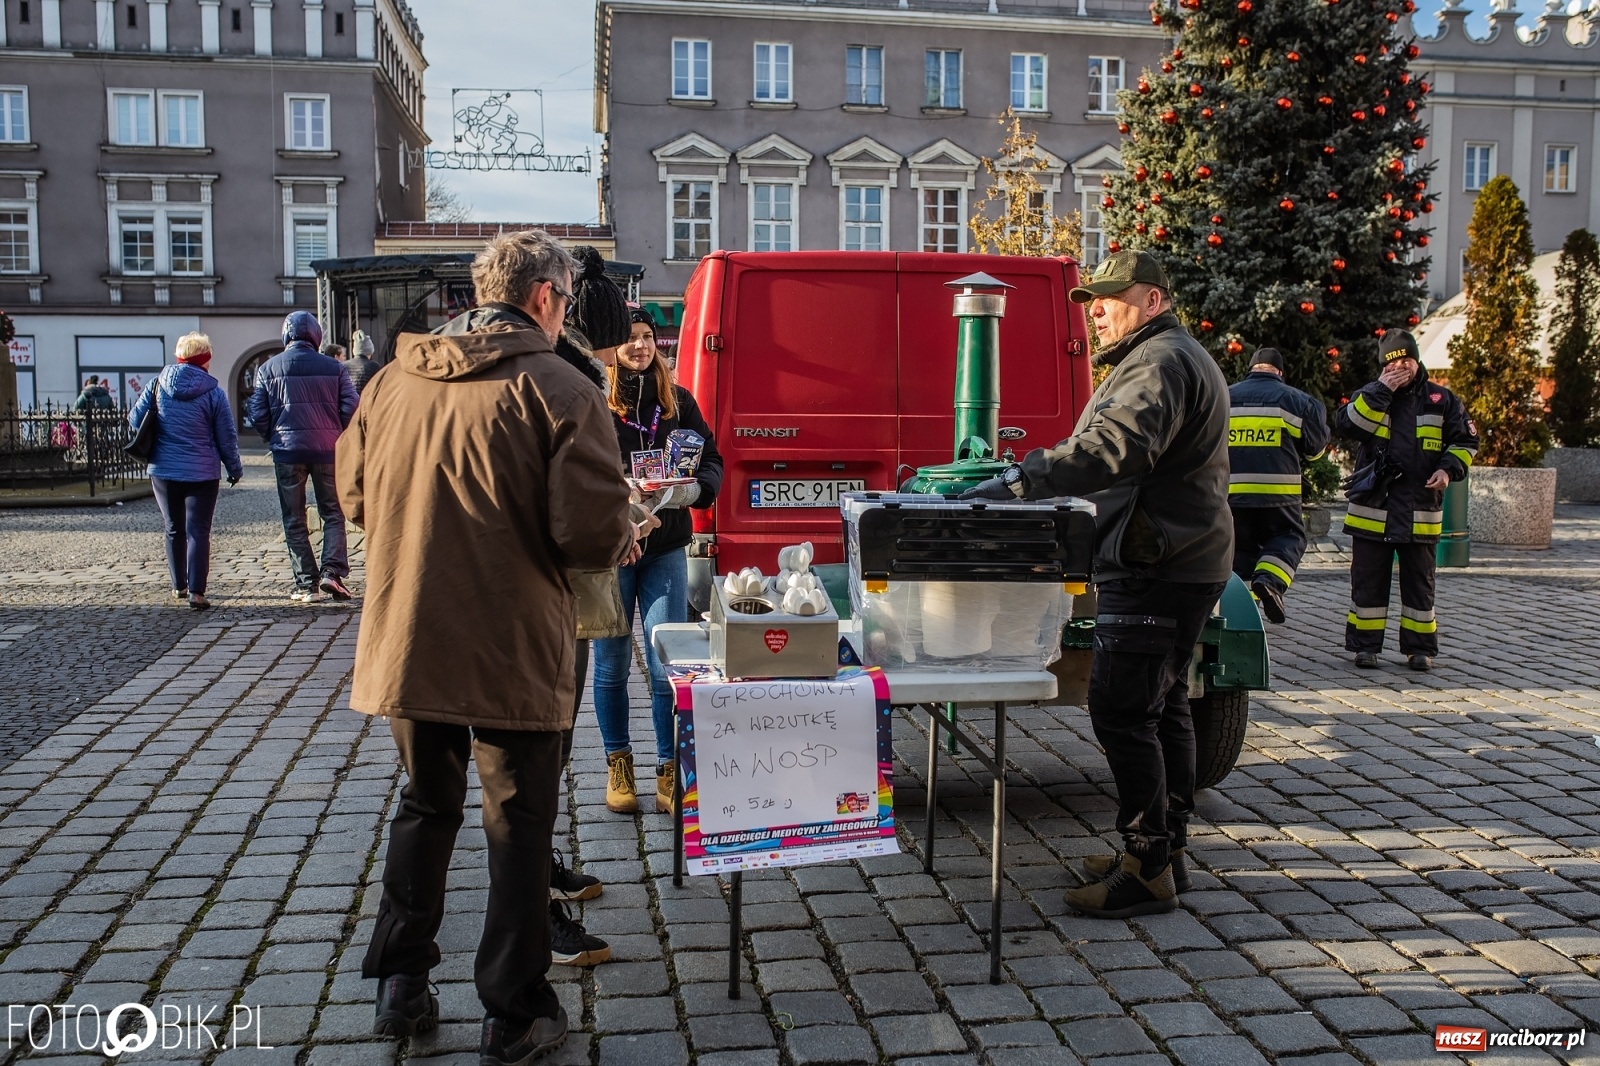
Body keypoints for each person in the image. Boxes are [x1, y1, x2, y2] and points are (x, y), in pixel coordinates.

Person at [338, 229, 635, 1065]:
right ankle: (514, 1010)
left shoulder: (392, 379)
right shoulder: (562, 387)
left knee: (425, 804)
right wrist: (623, 528)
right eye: (566, 300)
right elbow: (588, 535)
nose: (566, 312)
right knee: (519, 823)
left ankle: (401, 984)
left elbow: (353, 495)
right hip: (511, 639)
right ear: (544, 297)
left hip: (411, 630)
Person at [961, 250, 1232, 918]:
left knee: (1122, 710)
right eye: (1092, 301)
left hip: (1156, 562)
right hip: (1174, 557)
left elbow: (1115, 447)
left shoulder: (1160, 361)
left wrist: (1022, 480)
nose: (1098, 312)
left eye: (1112, 298)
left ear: (1153, 300)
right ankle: (1163, 851)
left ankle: (1146, 867)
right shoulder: (1164, 355)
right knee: (1163, 705)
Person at [594, 308, 723, 816]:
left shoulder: (678, 401)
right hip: (611, 548)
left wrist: (692, 490)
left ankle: (669, 769)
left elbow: (711, 460)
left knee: (665, 660)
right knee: (611, 661)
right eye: (630, 338)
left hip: (666, 548)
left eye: (647, 337)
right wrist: (621, 495)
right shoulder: (596, 400)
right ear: (613, 348)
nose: (641, 346)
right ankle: (618, 764)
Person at [1335, 329, 1477, 671]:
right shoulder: (1370, 395)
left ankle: (1419, 650)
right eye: (1393, 362)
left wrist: (1447, 470)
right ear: (1383, 366)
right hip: (1372, 512)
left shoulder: (1442, 400)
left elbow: (1465, 441)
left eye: (1406, 360)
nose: (1400, 367)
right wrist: (1381, 391)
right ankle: (1365, 647)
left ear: (1417, 360)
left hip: (1420, 510)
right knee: (1367, 585)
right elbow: (1349, 426)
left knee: (1420, 587)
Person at [247, 311, 360, 603]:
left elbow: (257, 413)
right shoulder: (334, 367)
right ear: (316, 336)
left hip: (287, 451)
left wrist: (274, 436)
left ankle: (307, 584)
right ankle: (331, 573)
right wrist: (338, 435)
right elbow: (352, 407)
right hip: (327, 450)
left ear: (286, 335)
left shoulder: (268, 368)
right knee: (332, 512)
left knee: (293, 518)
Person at [128, 333, 244, 611]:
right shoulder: (214, 393)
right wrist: (234, 468)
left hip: (163, 470)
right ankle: (197, 592)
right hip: (202, 472)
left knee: (173, 527)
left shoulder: (157, 384)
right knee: (198, 531)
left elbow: (134, 419)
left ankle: (178, 585)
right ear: (206, 359)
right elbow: (226, 437)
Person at [1225, 348, 1330, 623]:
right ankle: (1270, 581)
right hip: (1278, 495)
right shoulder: (1296, 401)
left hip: (1231, 494)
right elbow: (1315, 451)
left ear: (1250, 369)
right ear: (1280, 373)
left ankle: (1243, 614)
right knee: (1289, 537)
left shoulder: (1224, 397)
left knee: (1240, 550)